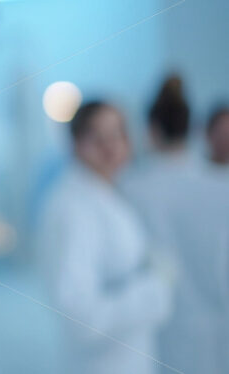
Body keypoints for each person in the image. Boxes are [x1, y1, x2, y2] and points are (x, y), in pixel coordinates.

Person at [37, 101, 172, 374]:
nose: (109, 146)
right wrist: (152, 291)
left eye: (118, 134)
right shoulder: (73, 209)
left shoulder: (106, 192)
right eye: (96, 136)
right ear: (75, 143)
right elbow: (80, 318)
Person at [120, 78, 229, 373]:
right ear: (194, 130)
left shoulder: (131, 189)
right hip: (219, 331)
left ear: (150, 131)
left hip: (161, 329)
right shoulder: (220, 184)